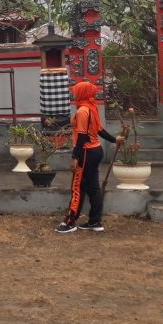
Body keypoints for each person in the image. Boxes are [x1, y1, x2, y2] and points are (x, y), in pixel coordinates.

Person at [56, 81, 123, 234]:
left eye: (76, 91)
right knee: (93, 187)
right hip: (96, 151)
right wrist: (114, 139)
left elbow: (82, 137)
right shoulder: (92, 108)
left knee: (77, 187)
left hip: (86, 153)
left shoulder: (82, 111)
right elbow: (100, 130)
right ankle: (95, 221)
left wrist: (75, 157)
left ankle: (70, 222)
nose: (73, 94)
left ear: (82, 93)